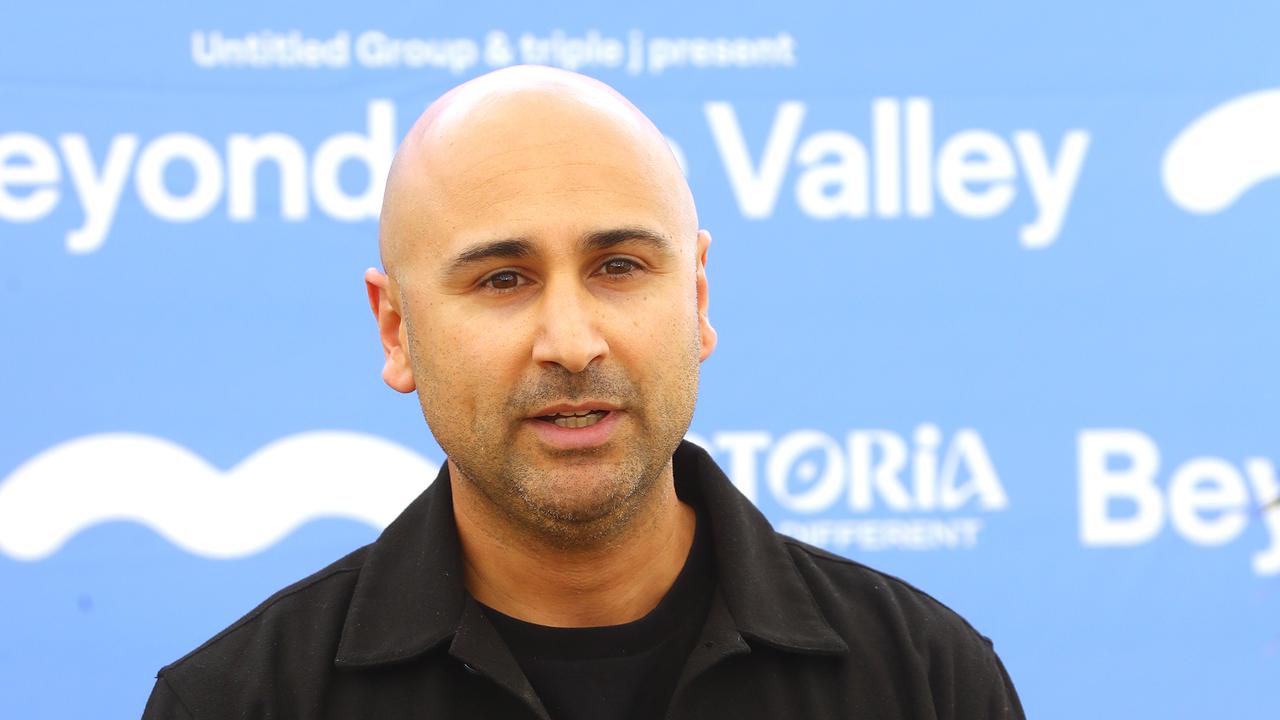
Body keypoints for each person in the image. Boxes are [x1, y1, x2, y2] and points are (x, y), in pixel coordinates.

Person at [141, 65, 1024, 720]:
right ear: (396, 329)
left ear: (699, 300)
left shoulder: (924, 682)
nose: (571, 343)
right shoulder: (239, 702)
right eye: (501, 280)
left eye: (619, 267)